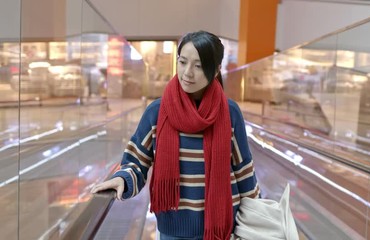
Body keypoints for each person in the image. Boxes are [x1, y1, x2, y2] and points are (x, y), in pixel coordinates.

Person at [91, 30, 260, 240]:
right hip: (174, 228)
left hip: (221, 227)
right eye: (183, 62)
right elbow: (137, 162)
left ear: (216, 70)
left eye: (198, 66)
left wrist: (258, 214)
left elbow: (243, 169)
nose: (188, 72)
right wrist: (123, 180)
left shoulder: (229, 112)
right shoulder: (157, 112)